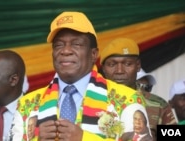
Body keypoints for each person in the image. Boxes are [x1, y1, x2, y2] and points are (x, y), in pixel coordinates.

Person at [8, 11, 152, 141]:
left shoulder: (127, 99)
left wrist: (84, 139)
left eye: (76, 44)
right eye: (59, 45)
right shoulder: (27, 105)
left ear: (93, 54)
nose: (66, 51)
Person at [99, 37, 176, 141]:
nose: (120, 71)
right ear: (103, 68)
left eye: (127, 64)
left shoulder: (158, 105)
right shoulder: (91, 99)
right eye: (112, 64)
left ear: (138, 65)